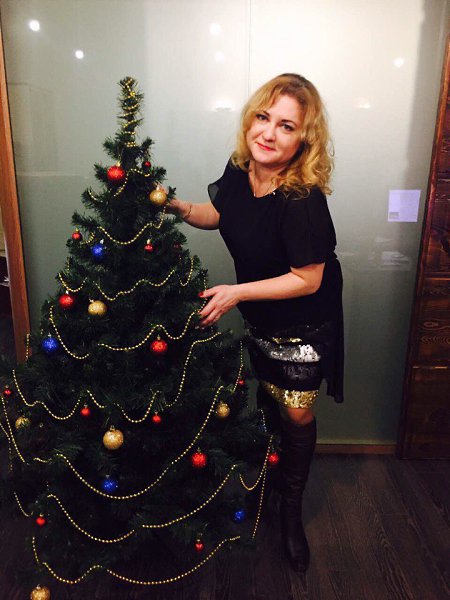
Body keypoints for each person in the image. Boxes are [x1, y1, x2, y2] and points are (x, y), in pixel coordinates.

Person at [168, 73, 344, 573]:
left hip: (305, 324)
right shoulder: (241, 168)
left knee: (296, 415)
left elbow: (308, 278)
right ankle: (267, 484)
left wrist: (237, 291)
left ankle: (291, 511)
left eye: (286, 126)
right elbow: (218, 213)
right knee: (268, 402)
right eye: (263, 117)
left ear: (303, 139)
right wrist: (179, 208)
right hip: (262, 317)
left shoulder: (301, 197)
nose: (267, 133)